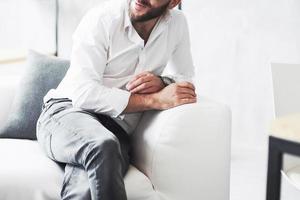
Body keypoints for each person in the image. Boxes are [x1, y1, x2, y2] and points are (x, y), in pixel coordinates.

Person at [36, 0, 197, 199]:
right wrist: (154, 100)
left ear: (173, 2)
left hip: (115, 129)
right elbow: (83, 93)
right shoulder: (102, 19)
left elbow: (185, 77)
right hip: (66, 113)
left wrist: (162, 82)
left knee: (86, 187)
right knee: (102, 145)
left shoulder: (177, 24)